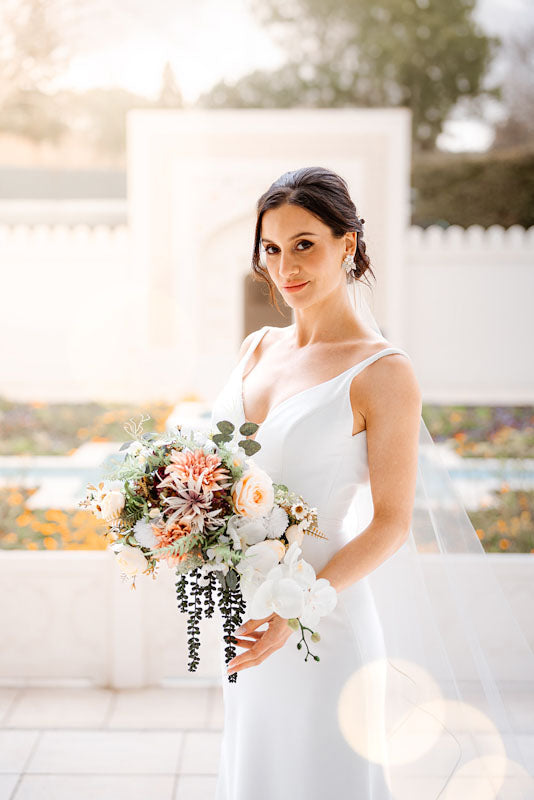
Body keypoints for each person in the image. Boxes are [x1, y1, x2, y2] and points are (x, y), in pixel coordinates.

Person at [210, 167, 534, 799]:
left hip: (320, 624)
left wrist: (293, 611)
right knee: (255, 774)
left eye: (305, 244)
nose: (285, 267)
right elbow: (221, 472)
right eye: (271, 249)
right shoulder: (256, 348)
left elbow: (391, 523)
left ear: (347, 244)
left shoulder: (383, 372)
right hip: (247, 613)